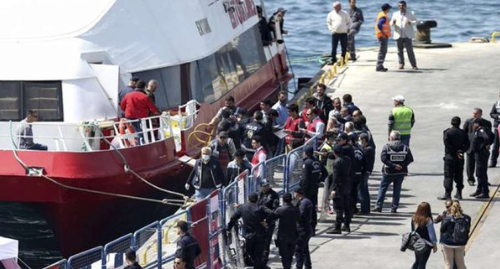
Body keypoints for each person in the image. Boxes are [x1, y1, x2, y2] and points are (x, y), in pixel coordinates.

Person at [226, 192, 272, 269]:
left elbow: (233, 218)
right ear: (257, 200)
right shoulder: (260, 207)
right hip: (260, 235)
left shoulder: (243, 207)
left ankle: (260, 266)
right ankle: (261, 266)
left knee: (251, 253)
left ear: (248, 199)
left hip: (249, 236)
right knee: (259, 254)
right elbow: (272, 213)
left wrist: (228, 228)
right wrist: (266, 222)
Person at [374, 131, 414, 213]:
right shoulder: (405, 147)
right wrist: (402, 165)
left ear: (391, 138)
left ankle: (378, 206)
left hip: (388, 172)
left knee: (382, 188)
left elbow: (383, 158)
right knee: (397, 190)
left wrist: (393, 165)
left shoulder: (387, 146)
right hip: (401, 172)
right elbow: (410, 159)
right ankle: (394, 207)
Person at [438, 117, 469, 200]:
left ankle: (447, 194)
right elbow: (467, 144)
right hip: (460, 157)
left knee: (448, 175)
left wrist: (455, 151)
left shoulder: (447, 132)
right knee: (459, 175)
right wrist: (460, 151)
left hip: (450, 156)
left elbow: (447, 144)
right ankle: (459, 193)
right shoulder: (463, 133)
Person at [301, 146, 328, 234]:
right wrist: (318, 181)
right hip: (314, 187)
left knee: (306, 207)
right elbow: (325, 173)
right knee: (313, 206)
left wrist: (302, 189)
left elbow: (305, 178)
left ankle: (307, 227)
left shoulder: (307, 163)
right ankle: (313, 226)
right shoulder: (317, 161)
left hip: (307, 188)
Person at [463, 107, 492, 186]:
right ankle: (470, 179)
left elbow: (489, 135)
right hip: (470, 146)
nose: (474, 115)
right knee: (470, 164)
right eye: (473, 113)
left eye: (476, 113)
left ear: (480, 114)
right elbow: (464, 133)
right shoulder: (468, 121)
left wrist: (488, 144)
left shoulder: (487, 123)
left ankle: (483, 179)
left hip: (481, 148)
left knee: (482, 166)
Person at [327, 144, 352, 234]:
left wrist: (333, 189)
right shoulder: (347, 159)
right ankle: (347, 225)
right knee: (346, 206)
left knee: (338, 207)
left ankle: (338, 227)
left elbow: (335, 177)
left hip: (339, 187)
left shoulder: (337, 162)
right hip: (347, 184)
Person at [439, 201, 471, 269]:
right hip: (460, 243)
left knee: (448, 264)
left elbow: (442, 229)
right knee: (461, 264)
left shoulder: (448, 218)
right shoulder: (467, 218)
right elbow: (467, 230)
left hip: (448, 243)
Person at [273, 193, 300, 269]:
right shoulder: (296, 209)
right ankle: (288, 266)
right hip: (293, 234)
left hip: (282, 235)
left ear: (283, 200)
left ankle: (286, 267)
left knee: (284, 255)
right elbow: (299, 219)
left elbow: (273, 217)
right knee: (290, 254)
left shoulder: (280, 210)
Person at [410, 202, 438, 269]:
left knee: (417, 261)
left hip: (417, 243)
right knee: (422, 263)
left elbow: (411, 231)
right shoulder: (428, 220)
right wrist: (434, 244)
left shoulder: (414, 218)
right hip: (426, 244)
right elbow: (431, 234)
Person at [391, 1, 418, 70]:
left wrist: (410, 22)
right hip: (398, 34)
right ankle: (401, 64)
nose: (401, 7)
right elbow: (391, 23)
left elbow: (416, 22)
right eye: (399, 6)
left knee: (410, 51)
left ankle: (414, 65)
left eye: (402, 6)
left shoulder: (410, 13)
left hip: (407, 35)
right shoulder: (395, 14)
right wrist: (393, 23)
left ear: (405, 6)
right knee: (399, 51)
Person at [257, 180, 280, 264]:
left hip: (268, 221)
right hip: (259, 221)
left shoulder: (274, 195)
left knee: (266, 240)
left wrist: (266, 220)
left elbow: (274, 210)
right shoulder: (259, 194)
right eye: (264, 186)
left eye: (267, 185)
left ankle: (264, 259)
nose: (266, 187)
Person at [469, 118, 491, 199]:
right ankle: (479, 190)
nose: (473, 125)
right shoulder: (479, 130)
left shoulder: (481, 130)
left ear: (477, 124)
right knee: (479, 173)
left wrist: (484, 146)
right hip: (478, 154)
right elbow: (492, 135)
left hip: (481, 154)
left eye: (474, 124)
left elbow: (487, 138)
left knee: (481, 173)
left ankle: (485, 192)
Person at [294, 187, 313, 269]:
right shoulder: (307, 201)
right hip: (307, 228)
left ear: (297, 193)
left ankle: (299, 266)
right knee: (305, 249)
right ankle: (308, 266)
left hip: (302, 229)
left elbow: (300, 215)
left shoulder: (303, 203)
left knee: (299, 250)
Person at [358, 133, 374, 214]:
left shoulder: (368, 149)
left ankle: (364, 209)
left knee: (363, 190)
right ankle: (366, 208)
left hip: (365, 172)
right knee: (364, 190)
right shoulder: (368, 148)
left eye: (360, 140)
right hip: (366, 171)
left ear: (364, 140)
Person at [375, 3, 392, 72]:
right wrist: (383, 33)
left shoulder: (381, 14)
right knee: (383, 51)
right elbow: (379, 25)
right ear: (387, 9)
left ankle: (380, 65)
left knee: (382, 51)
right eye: (389, 9)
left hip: (381, 36)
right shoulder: (384, 16)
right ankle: (379, 66)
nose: (389, 10)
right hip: (383, 36)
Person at [489, 91, 500, 167]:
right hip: (497, 126)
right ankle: (493, 162)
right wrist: (498, 116)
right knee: (496, 145)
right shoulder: (496, 104)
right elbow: (492, 114)